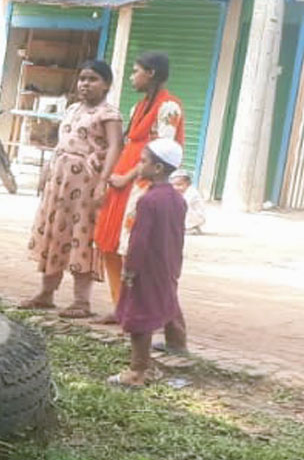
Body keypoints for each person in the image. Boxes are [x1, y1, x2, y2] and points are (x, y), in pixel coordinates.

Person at [23, 59, 123, 317]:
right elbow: (62, 143)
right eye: (82, 79)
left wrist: (103, 180)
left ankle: (81, 302)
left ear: (106, 85)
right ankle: (46, 293)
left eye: (93, 79)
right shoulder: (72, 109)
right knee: (54, 232)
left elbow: (115, 146)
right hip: (59, 182)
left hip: (85, 184)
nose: (85, 84)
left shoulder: (108, 114)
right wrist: (48, 171)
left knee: (81, 236)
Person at [91, 51, 183, 324]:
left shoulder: (169, 108)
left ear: (151, 73)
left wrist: (127, 177)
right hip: (123, 180)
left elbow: (160, 154)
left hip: (141, 183)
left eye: (136, 71)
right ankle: (120, 304)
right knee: (109, 243)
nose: (132, 76)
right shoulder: (138, 107)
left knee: (129, 245)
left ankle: (137, 308)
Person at [111, 138, 189, 386]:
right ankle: (176, 347)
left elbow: (139, 241)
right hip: (168, 264)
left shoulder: (148, 201)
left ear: (157, 168)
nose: (139, 165)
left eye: (143, 161)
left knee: (139, 317)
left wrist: (130, 270)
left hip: (146, 267)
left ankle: (137, 371)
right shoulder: (178, 199)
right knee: (166, 303)